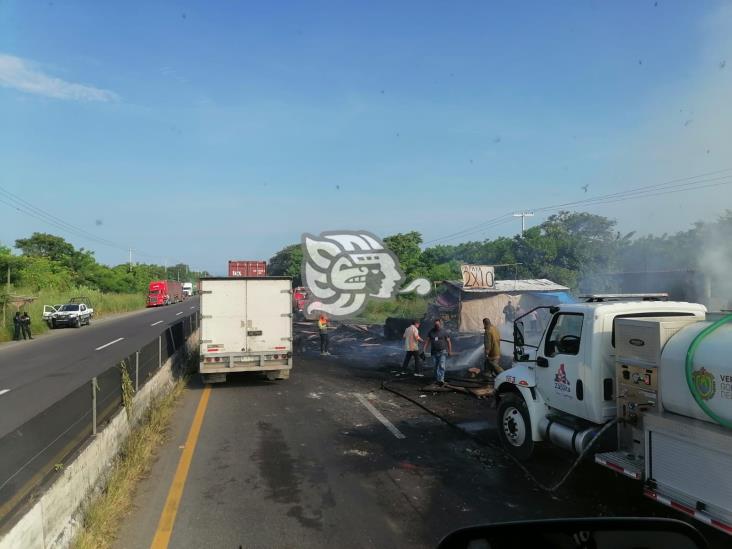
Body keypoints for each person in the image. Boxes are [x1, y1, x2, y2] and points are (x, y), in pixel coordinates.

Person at [424, 319, 452, 386]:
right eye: (436, 325)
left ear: (440, 324)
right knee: (435, 366)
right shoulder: (431, 332)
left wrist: (450, 351)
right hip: (434, 352)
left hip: (442, 351)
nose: (437, 326)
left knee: (442, 365)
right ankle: (437, 379)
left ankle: (441, 380)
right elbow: (427, 341)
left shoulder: (444, 332)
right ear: (434, 325)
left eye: (438, 324)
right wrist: (424, 349)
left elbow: (448, 342)